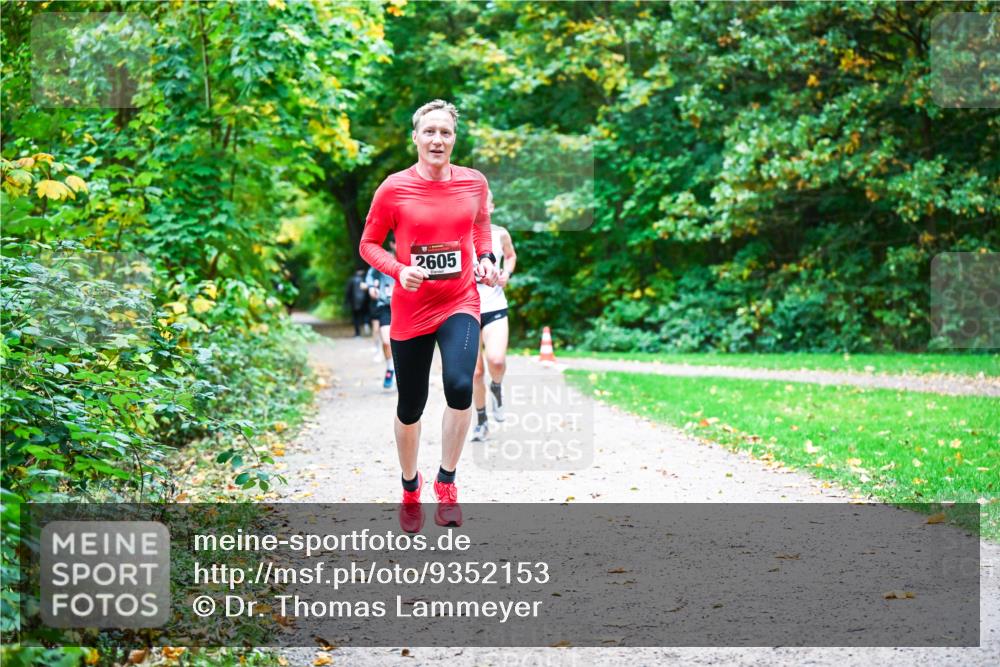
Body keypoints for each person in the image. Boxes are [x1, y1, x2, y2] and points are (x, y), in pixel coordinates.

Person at [359, 99, 497, 532]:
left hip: (460, 301)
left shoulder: (473, 182)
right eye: (430, 132)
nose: (438, 139)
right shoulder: (393, 188)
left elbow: (481, 227)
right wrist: (399, 270)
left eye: (446, 132)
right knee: (410, 404)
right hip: (412, 308)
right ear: (416, 137)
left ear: (454, 139)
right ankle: (409, 487)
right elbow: (368, 245)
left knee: (460, 385)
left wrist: (487, 259)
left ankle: (447, 483)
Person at [470, 190, 517, 442]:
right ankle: (481, 421)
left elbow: (510, 256)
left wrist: (506, 273)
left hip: (494, 305)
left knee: (496, 361)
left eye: (483, 204)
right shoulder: (458, 235)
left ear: (491, 207)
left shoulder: (500, 234)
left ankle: (496, 387)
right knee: (475, 372)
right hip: (466, 309)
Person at [366, 238, 397, 389]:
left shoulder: (410, 257)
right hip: (385, 305)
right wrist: (371, 287)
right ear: (392, 244)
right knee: (386, 341)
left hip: (405, 306)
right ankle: (390, 368)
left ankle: (402, 371)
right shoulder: (384, 258)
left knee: (403, 343)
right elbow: (370, 275)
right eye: (396, 242)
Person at [344, 269, 369, 337]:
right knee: (365, 314)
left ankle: (358, 333)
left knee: (356, 318)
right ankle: (366, 324)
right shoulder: (365, 279)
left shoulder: (351, 280)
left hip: (354, 303)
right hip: (364, 302)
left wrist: (347, 302)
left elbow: (348, 292)